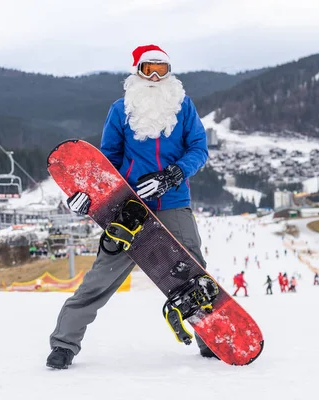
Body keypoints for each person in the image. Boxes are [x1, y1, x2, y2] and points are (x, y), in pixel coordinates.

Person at [46, 44, 210, 370]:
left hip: (172, 202)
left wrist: (173, 175)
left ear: (169, 73)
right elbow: (105, 163)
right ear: (136, 71)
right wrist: (89, 196)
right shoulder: (121, 110)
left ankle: (212, 337)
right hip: (128, 207)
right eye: (148, 69)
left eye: (161, 70)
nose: (154, 76)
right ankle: (64, 344)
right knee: (100, 280)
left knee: (193, 273)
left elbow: (199, 148)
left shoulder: (183, 107)